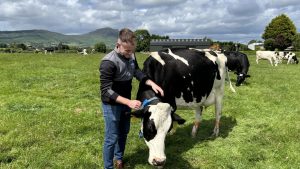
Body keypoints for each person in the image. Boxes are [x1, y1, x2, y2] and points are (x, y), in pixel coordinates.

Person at [99, 28, 164, 169]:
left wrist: (151, 83)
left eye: (132, 50)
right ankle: (108, 167)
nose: (130, 54)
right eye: (127, 50)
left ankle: (119, 159)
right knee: (111, 137)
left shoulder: (131, 55)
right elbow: (106, 91)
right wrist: (128, 102)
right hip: (111, 105)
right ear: (118, 44)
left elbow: (137, 71)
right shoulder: (108, 62)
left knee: (123, 132)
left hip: (126, 104)